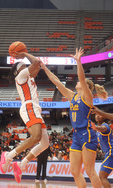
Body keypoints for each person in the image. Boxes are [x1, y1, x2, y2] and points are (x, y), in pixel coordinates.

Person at [40, 48, 105, 188]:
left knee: (90, 170)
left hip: (87, 133)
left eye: (80, 82)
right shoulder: (72, 96)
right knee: (75, 171)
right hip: (76, 135)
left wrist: (78, 61)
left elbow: (81, 77)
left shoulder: (87, 97)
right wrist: (45, 68)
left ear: (86, 86)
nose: (77, 82)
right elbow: (57, 82)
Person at [0, 52, 49, 183]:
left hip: (35, 109)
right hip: (29, 107)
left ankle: (21, 164)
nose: (26, 67)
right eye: (23, 66)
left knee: (45, 144)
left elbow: (37, 64)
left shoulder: (29, 77)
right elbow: (36, 62)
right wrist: (24, 53)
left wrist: (25, 56)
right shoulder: (21, 76)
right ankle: (8, 156)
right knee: (36, 137)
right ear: (18, 71)